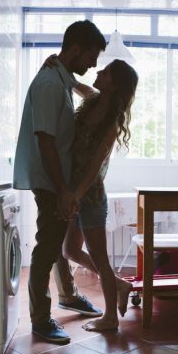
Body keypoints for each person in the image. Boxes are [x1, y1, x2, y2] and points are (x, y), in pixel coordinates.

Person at [13, 20, 106, 344]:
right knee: (48, 247)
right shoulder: (51, 85)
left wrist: (69, 76)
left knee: (55, 243)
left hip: (57, 180)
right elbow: (46, 142)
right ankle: (40, 319)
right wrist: (63, 190)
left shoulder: (61, 80)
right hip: (52, 181)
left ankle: (67, 294)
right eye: (91, 56)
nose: (93, 64)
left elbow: (94, 94)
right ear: (76, 49)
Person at [46, 56, 138, 332]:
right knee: (69, 249)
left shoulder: (112, 120)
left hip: (91, 195)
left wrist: (75, 195)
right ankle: (120, 285)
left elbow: (96, 164)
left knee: (100, 259)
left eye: (106, 72)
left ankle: (110, 318)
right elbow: (76, 84)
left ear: (115, 84)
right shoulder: (93, 99)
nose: (99, 71)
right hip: (74, 192)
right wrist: (59, 67)